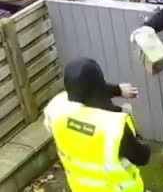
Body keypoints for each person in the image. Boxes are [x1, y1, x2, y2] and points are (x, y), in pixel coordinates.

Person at [43, 58, 151, 192]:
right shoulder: (114, 129)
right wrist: (132, 127)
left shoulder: (55, 111)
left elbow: (84, 91)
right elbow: (142, 157)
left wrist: (118, 90)